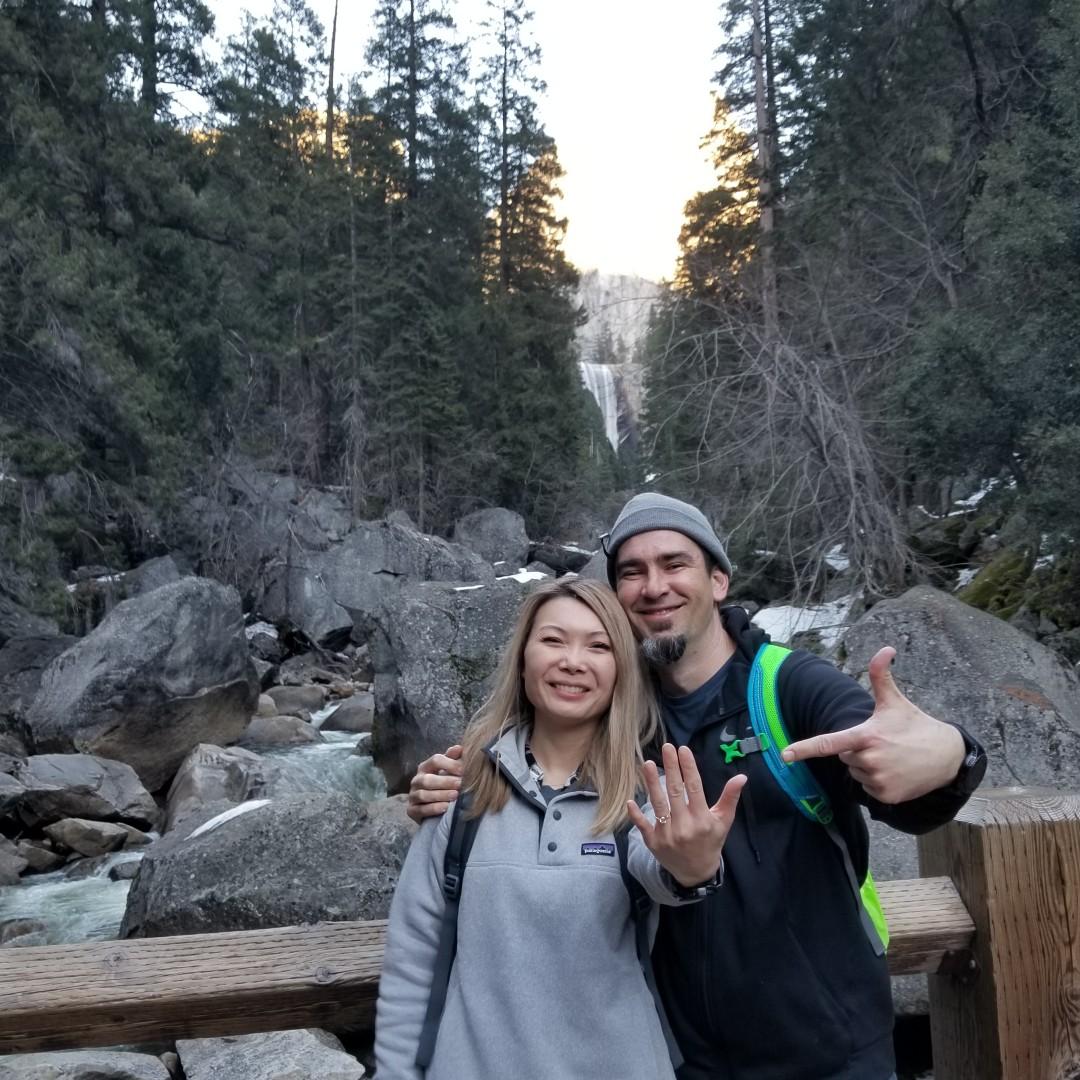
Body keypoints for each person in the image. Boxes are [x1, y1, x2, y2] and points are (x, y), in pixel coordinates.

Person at [407, 493, 988, 1080]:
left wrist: (951, 756)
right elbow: (533, 771)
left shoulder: (787, 688)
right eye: (632, 572)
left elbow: (893, 765)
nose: (653, 585)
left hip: (831, 1054)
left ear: (718, 580)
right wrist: (455, 785)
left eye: (674, 564)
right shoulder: (617, 718)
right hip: (686, 1059)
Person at [375, 577, 747, 1080]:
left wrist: (694, 865)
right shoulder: (460, 792)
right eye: (553, 640)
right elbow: (412, 962)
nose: (573, 661)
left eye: (598, 646)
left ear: (621, 670)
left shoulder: (639, 794)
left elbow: (662, 869)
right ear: (523, 657)